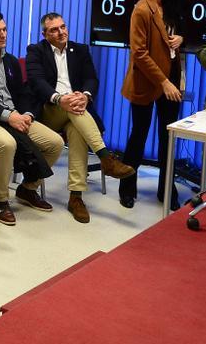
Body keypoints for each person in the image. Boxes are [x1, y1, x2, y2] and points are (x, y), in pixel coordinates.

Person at [26, 12, 135, 223]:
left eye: (63, 27)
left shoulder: (80, 50)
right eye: (54, 30)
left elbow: (91, 78)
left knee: (76, 125)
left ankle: (76, 197)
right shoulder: (35, 51)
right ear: (44, 34)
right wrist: (60, 98)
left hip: (74, 111)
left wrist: (85, 96)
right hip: (48, 110)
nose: (61, 32)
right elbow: (36, 82)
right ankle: (106, 158)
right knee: (73, 107)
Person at [0, 11, 63, 225]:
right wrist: (8, 116)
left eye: (4, 30)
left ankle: (27, 189)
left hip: (15, 116)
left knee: (55, 143)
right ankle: (0, 200)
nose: (3, 35)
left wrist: (26, 114)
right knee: (7, 144)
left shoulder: (11, 61)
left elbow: (22, 94)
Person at [119, 0, 187, 211]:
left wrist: (182, 38)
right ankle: (126, 187)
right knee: (139, 135)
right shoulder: (142, 8)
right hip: (148, 81)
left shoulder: (170, 6)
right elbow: (139, 52)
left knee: (167, 138)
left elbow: (180, 33)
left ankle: (166, 189)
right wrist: (163, 82)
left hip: (170, 80)